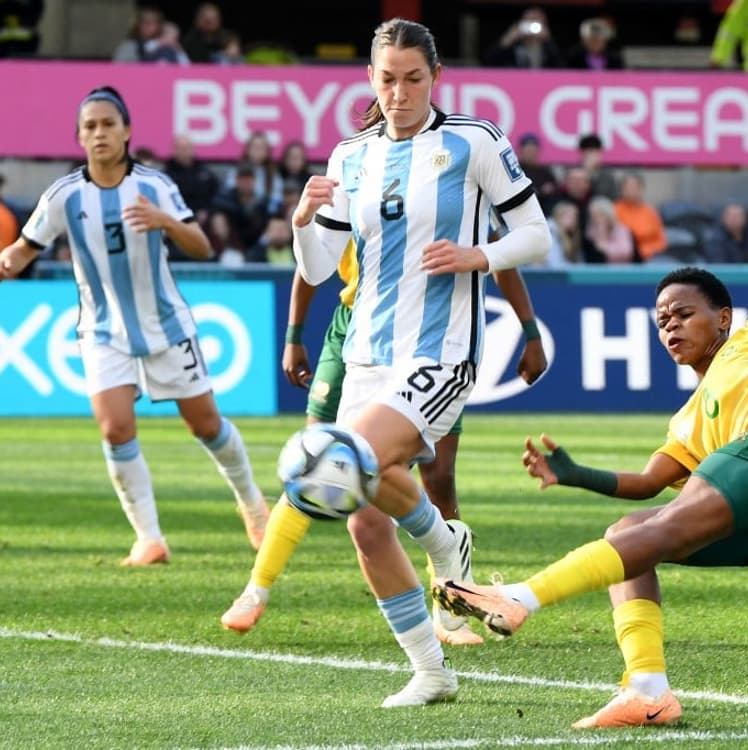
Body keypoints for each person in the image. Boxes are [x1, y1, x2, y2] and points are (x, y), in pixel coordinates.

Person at [434, 209, 748, 729]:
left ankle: (519, 597)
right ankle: (648, 690)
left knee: (655, 529)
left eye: (683, 314)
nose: (671, 326)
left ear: (723, 318)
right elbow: (646, 485)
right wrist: (575, 474)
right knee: (631, 535)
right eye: (662, 321)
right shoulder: (686, 422)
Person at [219, 18, 550, 707]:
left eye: (413, 78)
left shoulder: (474, 142)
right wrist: (304, 221)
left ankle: (418, 554)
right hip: (366, 351)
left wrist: (478, 257)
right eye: (387, 79)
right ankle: (432, 667)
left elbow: (535, 234)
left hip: (441, 349)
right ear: (370, 80)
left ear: (436, 78)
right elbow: (316, 265)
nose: (399, 93)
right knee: (367, 521)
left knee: (344, 463)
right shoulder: (349, 157)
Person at [0, 86, 270, 566]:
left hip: (165, 326)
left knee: (205, 424)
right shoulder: (64, 195)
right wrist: (4, 262)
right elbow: (27, 244)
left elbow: (201, 246)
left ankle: (253, 505)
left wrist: (166, 222)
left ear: (127, 131)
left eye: (108, 124)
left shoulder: (155, 187)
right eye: (90, 126)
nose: (99, 133)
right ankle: (149, 538)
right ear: (79, 137)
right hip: (101, 331)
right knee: (115, 429)